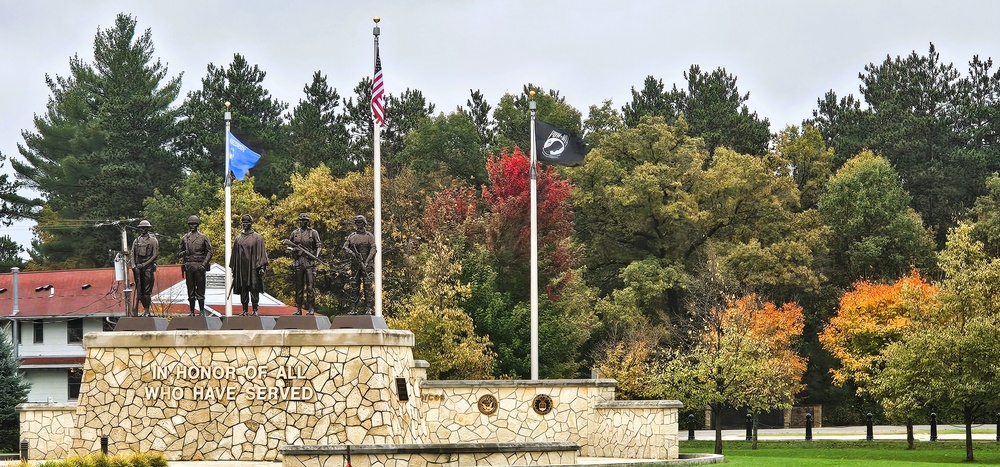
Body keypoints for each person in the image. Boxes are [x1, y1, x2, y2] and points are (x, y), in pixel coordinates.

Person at [230, 214, 268, 316]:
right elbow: (234, 254)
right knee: (243, 289)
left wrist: (262, 267)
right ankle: (245, 310)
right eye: (244, 223)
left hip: (253, 268)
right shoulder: (238, 238)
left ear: (251, 223)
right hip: (242, 268)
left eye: (247, 222)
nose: (245, 224)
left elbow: (262, 253)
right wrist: (234, 268)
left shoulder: (257, 237)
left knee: (254, 288)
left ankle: (255, 309)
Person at [287, 213, 322, 315]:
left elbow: (319, 245)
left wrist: (316, 255)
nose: (302, 222)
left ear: (307, 222)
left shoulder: (313, 232)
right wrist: (295, 250)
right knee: (299, 288)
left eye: (304, 221)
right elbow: (288, 246)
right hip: (298, 262)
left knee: (311, 287)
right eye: (301, 221)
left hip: (310, 263)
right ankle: (298, 309)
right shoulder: (295, 233)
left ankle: (311, 308)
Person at [179, 215, 213, 316]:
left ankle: (202, 311)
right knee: (190, 290)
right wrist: (185, 252)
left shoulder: (203, 237)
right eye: (190, 224)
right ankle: (192, 311)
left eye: (194, 224)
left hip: (199, 266)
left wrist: (204, 264)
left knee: (200, 290)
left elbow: (210, 252)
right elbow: (178, 253)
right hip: (189, 266)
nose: (192, 226)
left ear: (197, 225)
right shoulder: (185, 238)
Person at [343, 215, 376, 315]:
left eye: (360, 222)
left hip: (367, 264)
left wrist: (367, 262)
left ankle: (368, 309)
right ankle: (353, 309)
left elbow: (373, 249)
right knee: (354, 286)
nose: (358, 225)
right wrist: (352, 253)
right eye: (357, 223)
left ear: (364, 223)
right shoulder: (352, 236)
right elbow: (345, 247)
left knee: (368, 287)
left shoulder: (369, 236)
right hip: (355, 265)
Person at [131, 220, 159, 317]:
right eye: (141, 228)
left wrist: (145, 265)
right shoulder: (136, 240)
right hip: (138, 269)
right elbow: (132, 254)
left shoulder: (153, 240)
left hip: (148, 268)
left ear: (148, 228)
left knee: (147, 291)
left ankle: (147, 311)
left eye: (145, 228)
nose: (143, 229)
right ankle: (144, 309)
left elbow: (155, 255)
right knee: (140, 291)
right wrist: (134, 266)